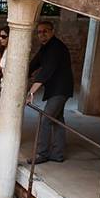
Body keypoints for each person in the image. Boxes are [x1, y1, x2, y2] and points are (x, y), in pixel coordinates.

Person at [26, 21, 74, 164]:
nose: (42, 34)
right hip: (56, 89)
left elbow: (46, 72)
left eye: (45, 31)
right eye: (39, 32)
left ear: (52, 31)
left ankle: (42, 154)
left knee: (45, 119)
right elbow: (34, 64)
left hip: (60, 89)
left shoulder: (56, 48)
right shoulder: (45, 48)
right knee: (57, 120)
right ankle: (58, 154)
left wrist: (31, 93)